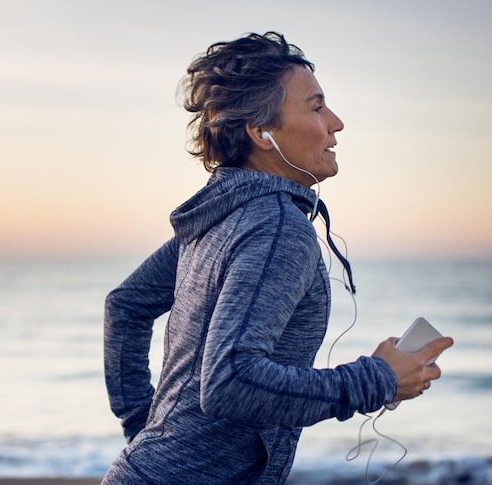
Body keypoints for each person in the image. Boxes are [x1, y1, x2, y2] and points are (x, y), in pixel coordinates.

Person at [101, 31, 453, 484]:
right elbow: (231, 382)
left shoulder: (223, 216)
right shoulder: (276, 227)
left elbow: (125, 306)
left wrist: (147, 437)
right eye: (316, 106)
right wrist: (377, 379)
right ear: (261, 132)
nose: (337, 123)